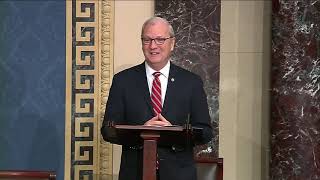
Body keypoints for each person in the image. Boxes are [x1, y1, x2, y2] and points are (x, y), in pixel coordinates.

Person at [101, 17, 213, 180]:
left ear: (172, 43)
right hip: (135, 173)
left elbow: (206, 132)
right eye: (147, 40)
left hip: (179, 174)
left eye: (160, 39)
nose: (153, 46)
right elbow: (108, 131)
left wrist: (173, 132)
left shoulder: (191, 82)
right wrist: (142, 131)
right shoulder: (123, 81)